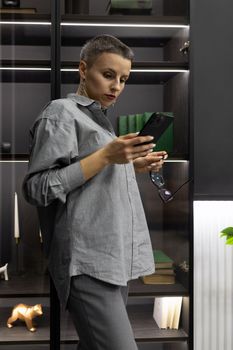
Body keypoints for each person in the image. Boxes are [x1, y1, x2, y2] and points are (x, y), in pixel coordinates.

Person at [22, 34, 167, 350]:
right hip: (86, 263)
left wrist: (133, 164)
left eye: (124, 79)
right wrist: (106, 156)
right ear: (83, 69)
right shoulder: (60, 113)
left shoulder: (102, 121)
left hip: (115, 260)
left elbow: (93, 178)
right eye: (108, 75)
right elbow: (36, 188)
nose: (117, 86)